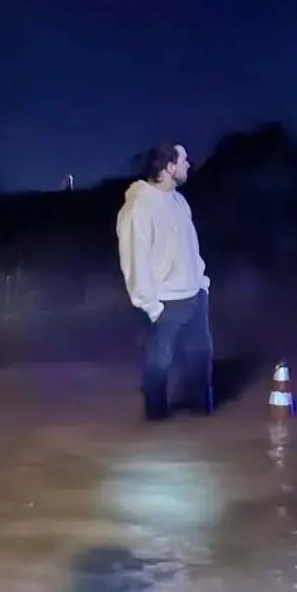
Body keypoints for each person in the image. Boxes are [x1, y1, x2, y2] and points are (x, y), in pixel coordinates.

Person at [116, 143, 214, 421]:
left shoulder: (179, 201)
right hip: (164, 303)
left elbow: (191, 247)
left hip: (194, 297)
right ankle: (156, 428)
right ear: (169, 167)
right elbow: (134, 261)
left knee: (201, 362)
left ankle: (205, 425)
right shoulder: (138, 207)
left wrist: (202, 283)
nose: (188, 164)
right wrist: (152, 307)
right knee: (158, 368)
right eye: (184, 160)